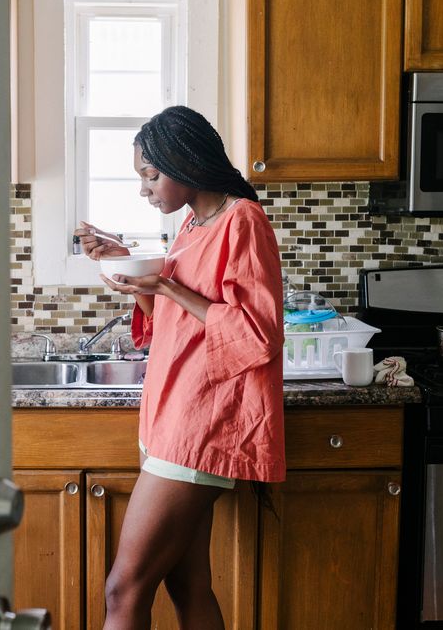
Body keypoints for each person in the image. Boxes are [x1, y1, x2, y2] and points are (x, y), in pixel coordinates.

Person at [75, 105, 285, 630]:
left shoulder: (243, 220)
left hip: (204, 421)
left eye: (151, 175)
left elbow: (257, 332)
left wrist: (165, 284)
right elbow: (178, 318)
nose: (145, 189)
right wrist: (127, 264)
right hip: (172, 413)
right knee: (187, 585)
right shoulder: (193, 224)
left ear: (186, 163)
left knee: (123, 589)